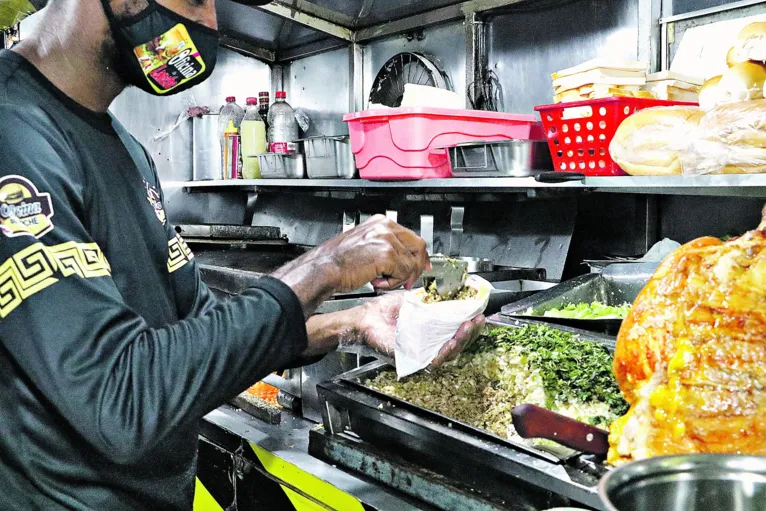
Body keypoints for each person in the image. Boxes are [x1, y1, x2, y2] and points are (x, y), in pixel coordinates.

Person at [0, 0, 486, 509]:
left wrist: (357, 321)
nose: (209, 24)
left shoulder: (126, 147)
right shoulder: (15, 130)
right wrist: (326, 266)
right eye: (194, 0)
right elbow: (119, 402)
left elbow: (204, 327)